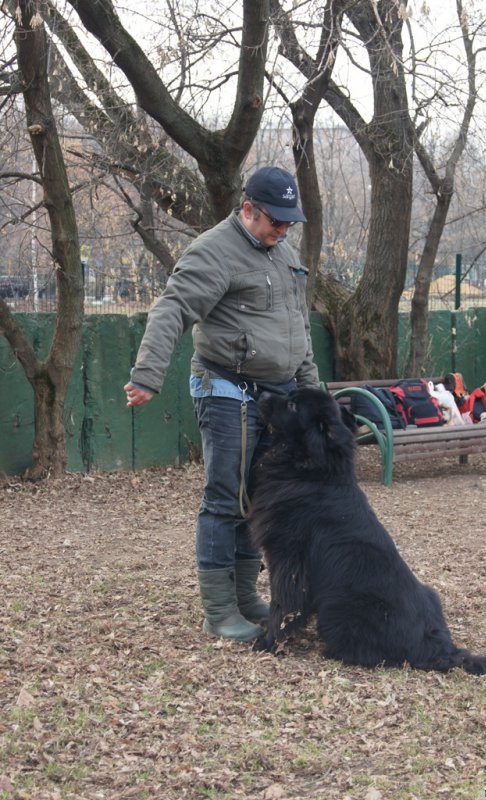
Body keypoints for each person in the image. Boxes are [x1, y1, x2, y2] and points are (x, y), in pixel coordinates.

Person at [124, 166, 320, 642]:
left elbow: (297, 325)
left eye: (290, 222)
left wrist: (311, 391)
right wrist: (148, 374)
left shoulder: (282, 250)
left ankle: (245, 597)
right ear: (248, 209)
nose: (283, 230)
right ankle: (218, 610)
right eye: (276, 221)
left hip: (274, 395)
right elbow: (171, 308)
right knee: (224, 498)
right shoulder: (214, 251)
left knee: (256, 499)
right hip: (227, 389)